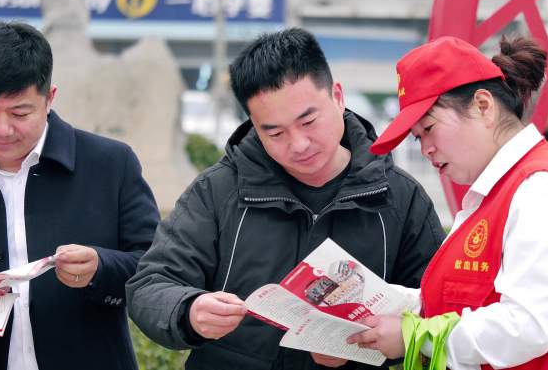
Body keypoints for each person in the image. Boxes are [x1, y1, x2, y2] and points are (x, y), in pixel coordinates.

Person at [126, 27, 444, 370]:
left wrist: (381, 344)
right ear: (253, 124)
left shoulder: (398, 198)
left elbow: (440, 312)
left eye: (308, 121)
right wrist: (188, 311)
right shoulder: (218, 191)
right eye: (274, 132)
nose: (299, 144)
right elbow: (150, 284)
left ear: (337, 96)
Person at [347, 36, 548, 370]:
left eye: (429, 129)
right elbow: (462, 300)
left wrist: (415, 335)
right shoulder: (500, 191)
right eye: (418, 138)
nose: (426, 149)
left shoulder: (541, 190)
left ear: (483, 106)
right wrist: (381, 305)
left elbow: (526, 326)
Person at [0, 21, 159, 370]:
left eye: (20, 113)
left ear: (49, 98)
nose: (2, 129)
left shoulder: (110, 164)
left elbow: (157, 266)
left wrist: (101, 267)